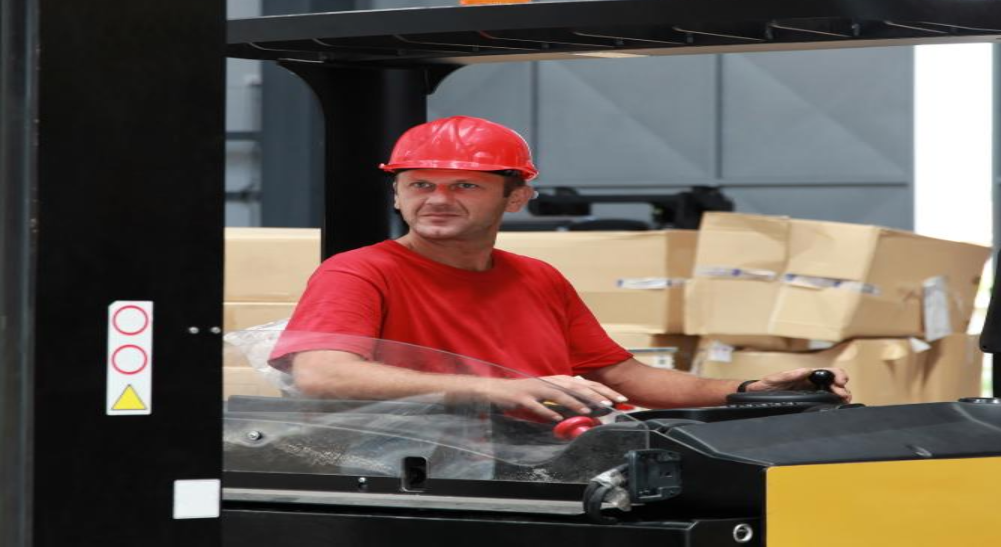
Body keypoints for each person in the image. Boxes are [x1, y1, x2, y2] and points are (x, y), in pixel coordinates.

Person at [271, 115, 850, 421]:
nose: (437, 199)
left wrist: (748, 391)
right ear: (397, 194)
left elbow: (624, 378)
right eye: (420, 185)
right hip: (428, 472)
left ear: (516, 198)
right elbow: (324, 375)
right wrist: (495, 390)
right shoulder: (360, 271)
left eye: (465, 186)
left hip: (548, 462)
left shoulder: (537, 277)